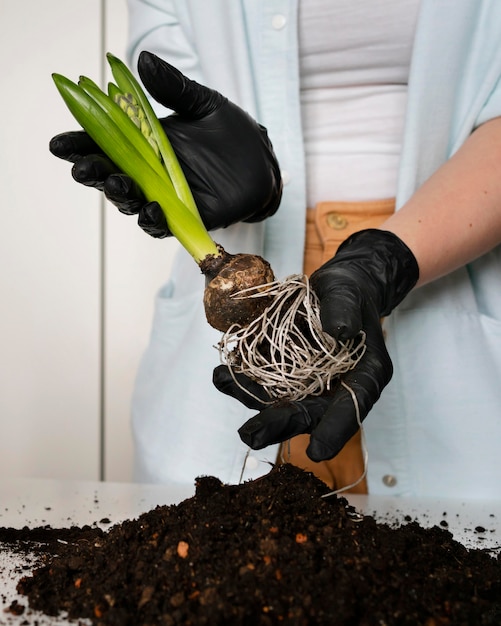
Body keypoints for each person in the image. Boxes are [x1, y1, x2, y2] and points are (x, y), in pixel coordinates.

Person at [50, 1, 501, 498]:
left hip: (449, 236)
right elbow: (172, 96)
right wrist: (253, 180)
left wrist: (385, 260)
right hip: (258, 270)